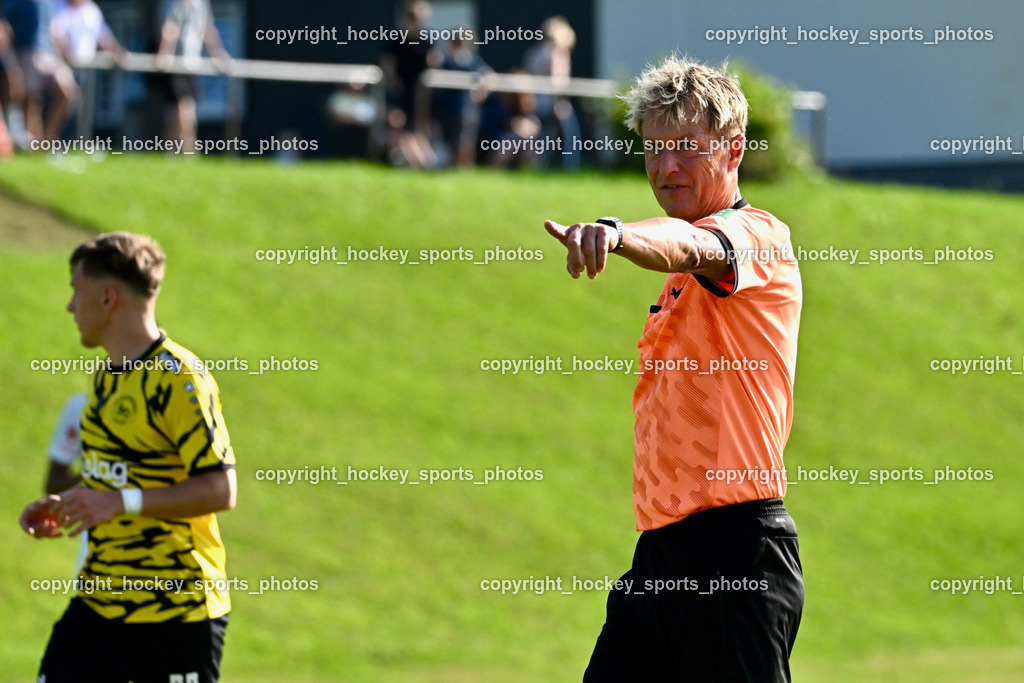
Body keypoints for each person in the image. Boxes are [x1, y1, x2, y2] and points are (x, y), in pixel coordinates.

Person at [543, 56, 803, 681]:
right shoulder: (680, 283)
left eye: (686, 147)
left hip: (736, 553)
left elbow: (690, 243)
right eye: (654, 149)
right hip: (659, 558)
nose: (666, 166)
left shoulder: (758, 237)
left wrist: (615, 232)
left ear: (733, 148)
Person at [20, 232, 237, 682]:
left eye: (75, 293)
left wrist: (121, 502)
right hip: (98, 607)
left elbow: (220, 488)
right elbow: (118, 477)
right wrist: (71, 501)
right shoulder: (103, 379)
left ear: (107, 299)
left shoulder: (181, 380)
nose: (69, 307)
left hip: (175, 612)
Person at [0, 0, 77, 144]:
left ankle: (48, 138)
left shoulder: (48, 3)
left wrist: (64, 46)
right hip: (25, 52)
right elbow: (5, 26)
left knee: (67, 92)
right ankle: (36, 145)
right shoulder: (14, 2)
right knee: (32, 101)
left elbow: (54, 27)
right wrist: (10, 62)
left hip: (49, 53)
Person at [157, 0, 229, 151]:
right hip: (175, 65)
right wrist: (165, 53)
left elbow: (207, 30)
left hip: (192, 65)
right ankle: (182, 152)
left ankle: (178, 153)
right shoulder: (173, 4)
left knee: (183, 112)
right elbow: (170, 29)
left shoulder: (201, 5)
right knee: (182, 110)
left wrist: (218, 55)